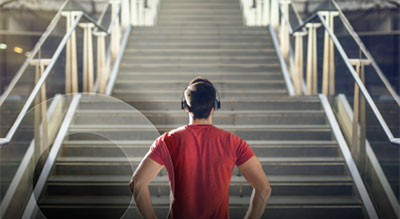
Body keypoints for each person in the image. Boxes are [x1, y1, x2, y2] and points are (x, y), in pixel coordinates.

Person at [129, 77, 271, 219]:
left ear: (186, 106)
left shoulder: (167, 141)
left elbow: (137, 184)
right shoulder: (234, 143)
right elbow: (264, 188)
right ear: (215, 106)